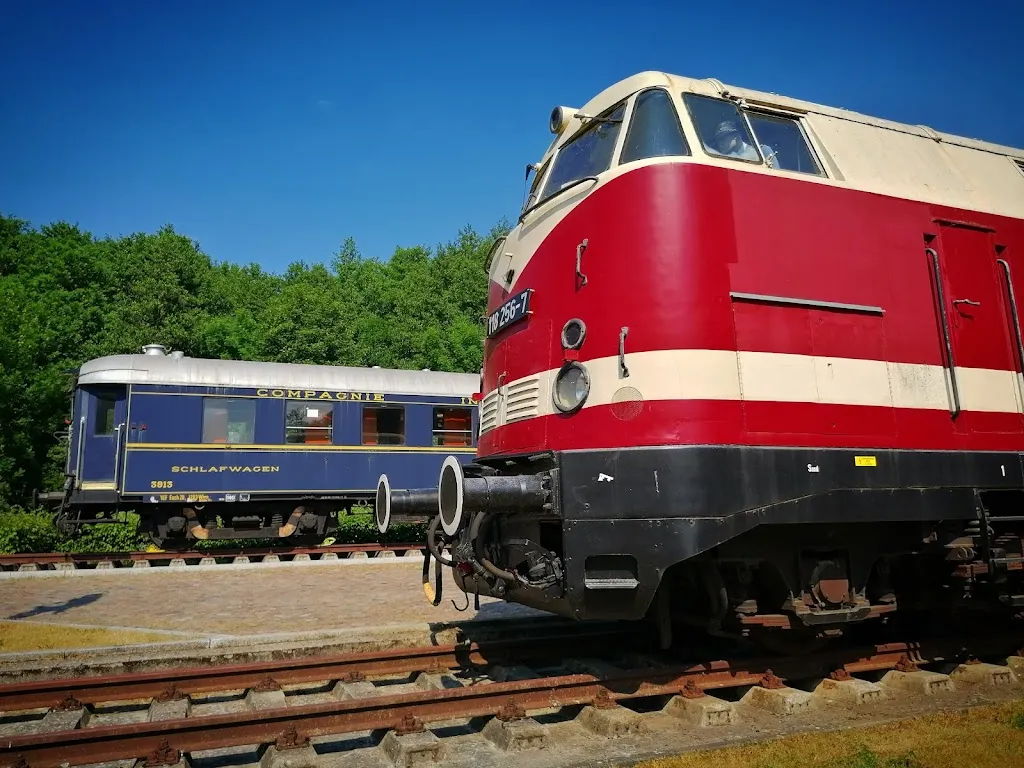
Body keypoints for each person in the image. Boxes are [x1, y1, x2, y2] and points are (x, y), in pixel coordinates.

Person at [712, 120, 778, 166]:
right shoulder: (724, 161)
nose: (719, 143)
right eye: (717, 140)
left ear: (736, 135)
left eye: (723, 137)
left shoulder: (762, 151)